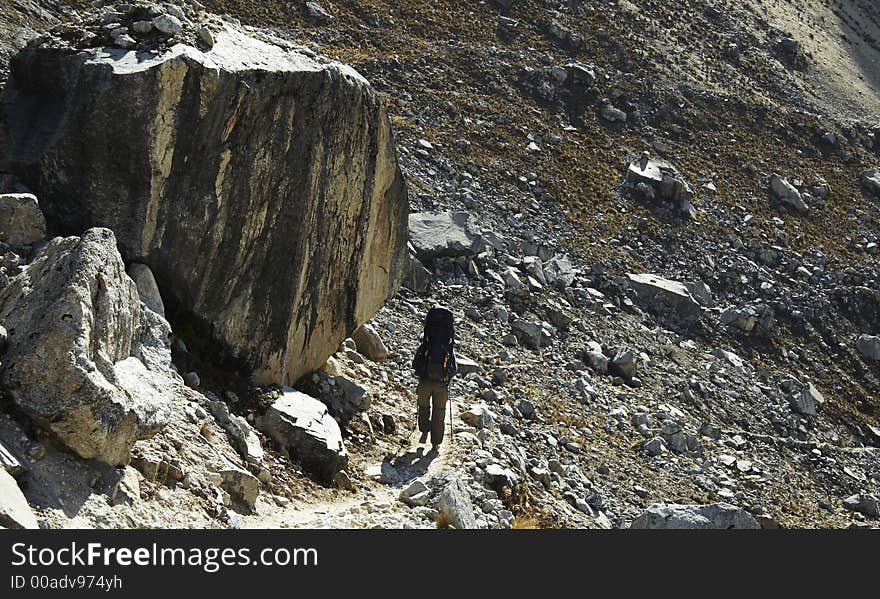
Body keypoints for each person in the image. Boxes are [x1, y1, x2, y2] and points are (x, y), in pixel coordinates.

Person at [412, 306, 457, 451]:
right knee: (440, 412)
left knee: (423, 407)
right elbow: (454, 369)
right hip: (442, 384)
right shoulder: (447, 348)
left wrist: (421, 376)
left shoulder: (426, 345)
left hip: (425, 381)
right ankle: (436, 443)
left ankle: (424, 432)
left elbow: (415, 364)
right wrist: (447, 378)